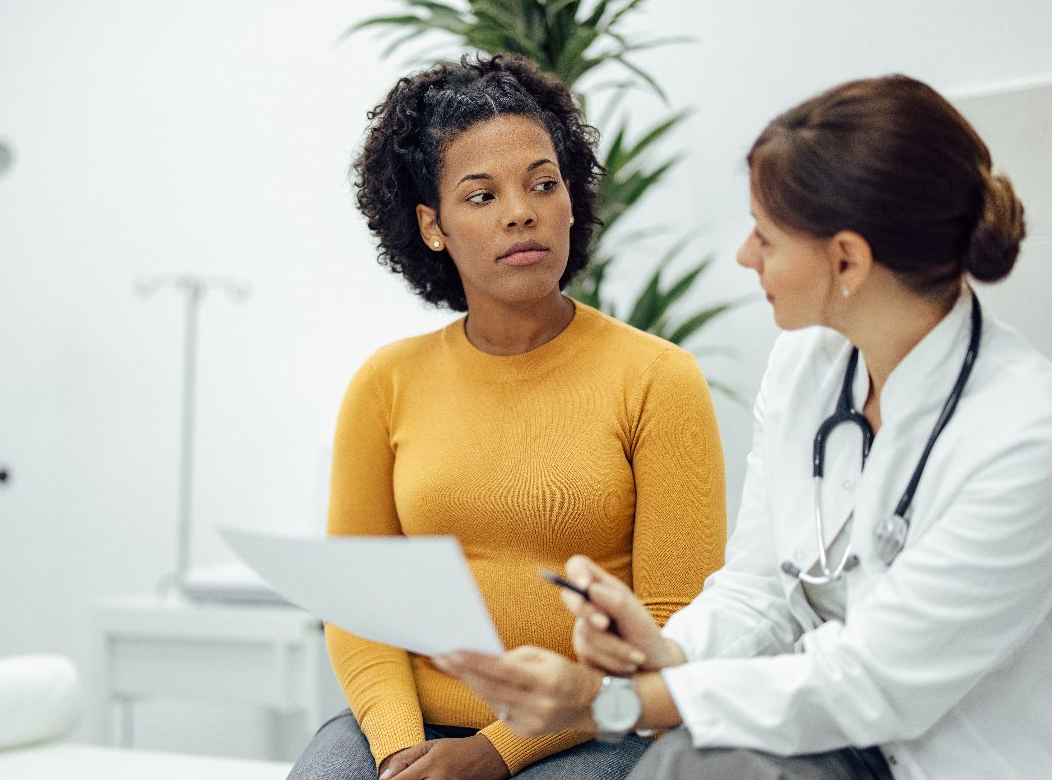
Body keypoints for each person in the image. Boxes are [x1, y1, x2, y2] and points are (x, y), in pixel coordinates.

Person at [436, 74, 1052, 780]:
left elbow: (870, 682)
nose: (744, 256)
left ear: (847, 259)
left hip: (947, 757)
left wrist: (609, 701)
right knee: (685, 765)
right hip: (818, 741)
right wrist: (666, 652)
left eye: (765, 236)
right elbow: (759, 587)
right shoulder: (806, 367)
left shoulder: (1022, 438)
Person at [285, 54, 727, 780]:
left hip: (588, 725)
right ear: (433, 225)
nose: (522, 209)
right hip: (409, 722)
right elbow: (358, 603)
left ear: (572, 200)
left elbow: (674, 627)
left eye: (542, 183)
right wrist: (401, 749)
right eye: (481, 194)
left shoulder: (657, 379)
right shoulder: (385, 382)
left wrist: (493, 752)